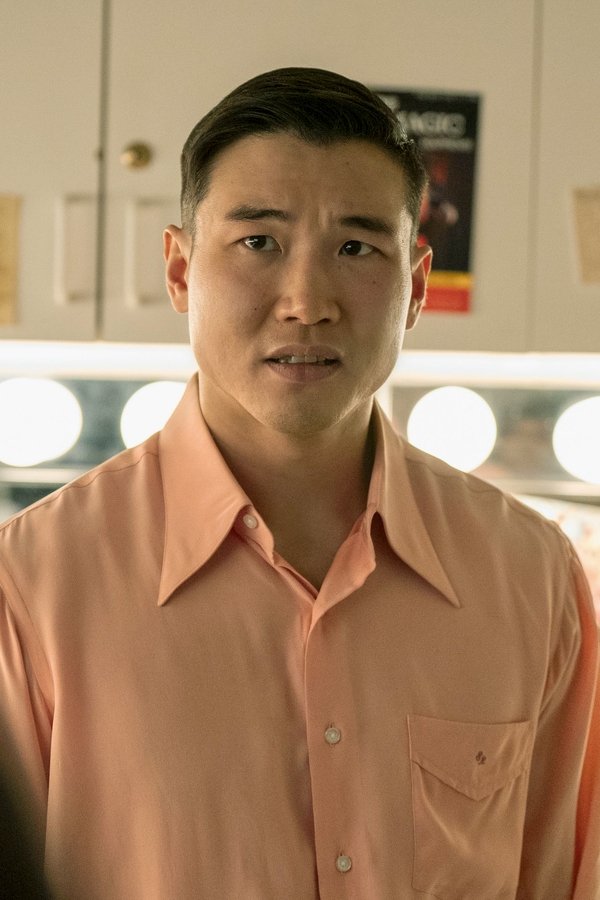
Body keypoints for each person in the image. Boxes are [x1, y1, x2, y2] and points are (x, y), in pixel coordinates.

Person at [0, 67, 598, 899]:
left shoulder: (532, 577)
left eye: (356, 248)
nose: (307, 301)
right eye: (258, 242)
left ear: (416, 287)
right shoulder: (31, 584)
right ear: (180, 271)